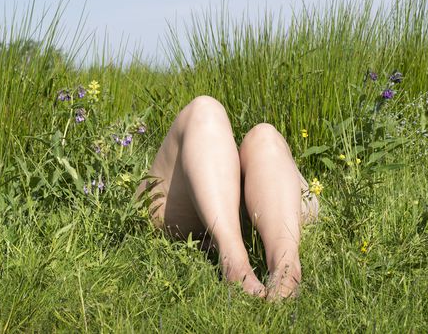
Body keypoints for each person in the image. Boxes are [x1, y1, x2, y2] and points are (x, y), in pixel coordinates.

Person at [136, 95, 319, 301]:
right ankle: (268, 265)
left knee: (260, 135)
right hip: (208, 194)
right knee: (209, 113)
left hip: (256, 193)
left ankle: (268, 265)